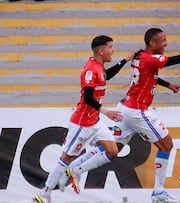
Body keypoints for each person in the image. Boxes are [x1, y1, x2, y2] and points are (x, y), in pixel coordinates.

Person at [64, 27, 180, 203]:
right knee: (166, 144)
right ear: (152, 43)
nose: (166, 43)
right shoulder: (151, 58)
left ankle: (75, 169)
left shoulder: (140, 55)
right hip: (137, 111)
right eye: (163, 40)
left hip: (125, 107)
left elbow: (148, 75)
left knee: (113, 149)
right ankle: (158, 192)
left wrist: (167, 84)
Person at [32, 35, 133, 203]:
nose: (112, 50)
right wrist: (105, 111)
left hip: (95, 122)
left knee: (113, 151)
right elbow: (87, 97)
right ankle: (43, 194)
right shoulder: (90, 70)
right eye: (110, 47)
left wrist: (124, 61)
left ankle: (76, 171)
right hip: (82, 123)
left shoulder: (99, 67)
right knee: (65, 158)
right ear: (101, 51)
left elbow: (106, 76)